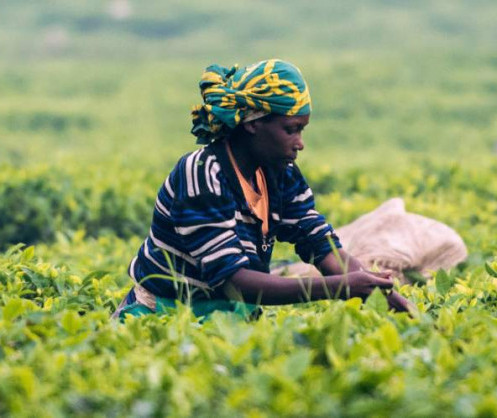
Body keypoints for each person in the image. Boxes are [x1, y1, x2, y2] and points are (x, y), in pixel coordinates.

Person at [113, 59, 411, 320]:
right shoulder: (202, 173)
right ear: (253, 123)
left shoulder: (281, 173)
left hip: (232, 313)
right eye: (290, 129)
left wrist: (382, 294)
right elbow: (233, 281)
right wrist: (338, 287)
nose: (300, 143)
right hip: (166, 314)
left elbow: (321, 245)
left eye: (301, 130)